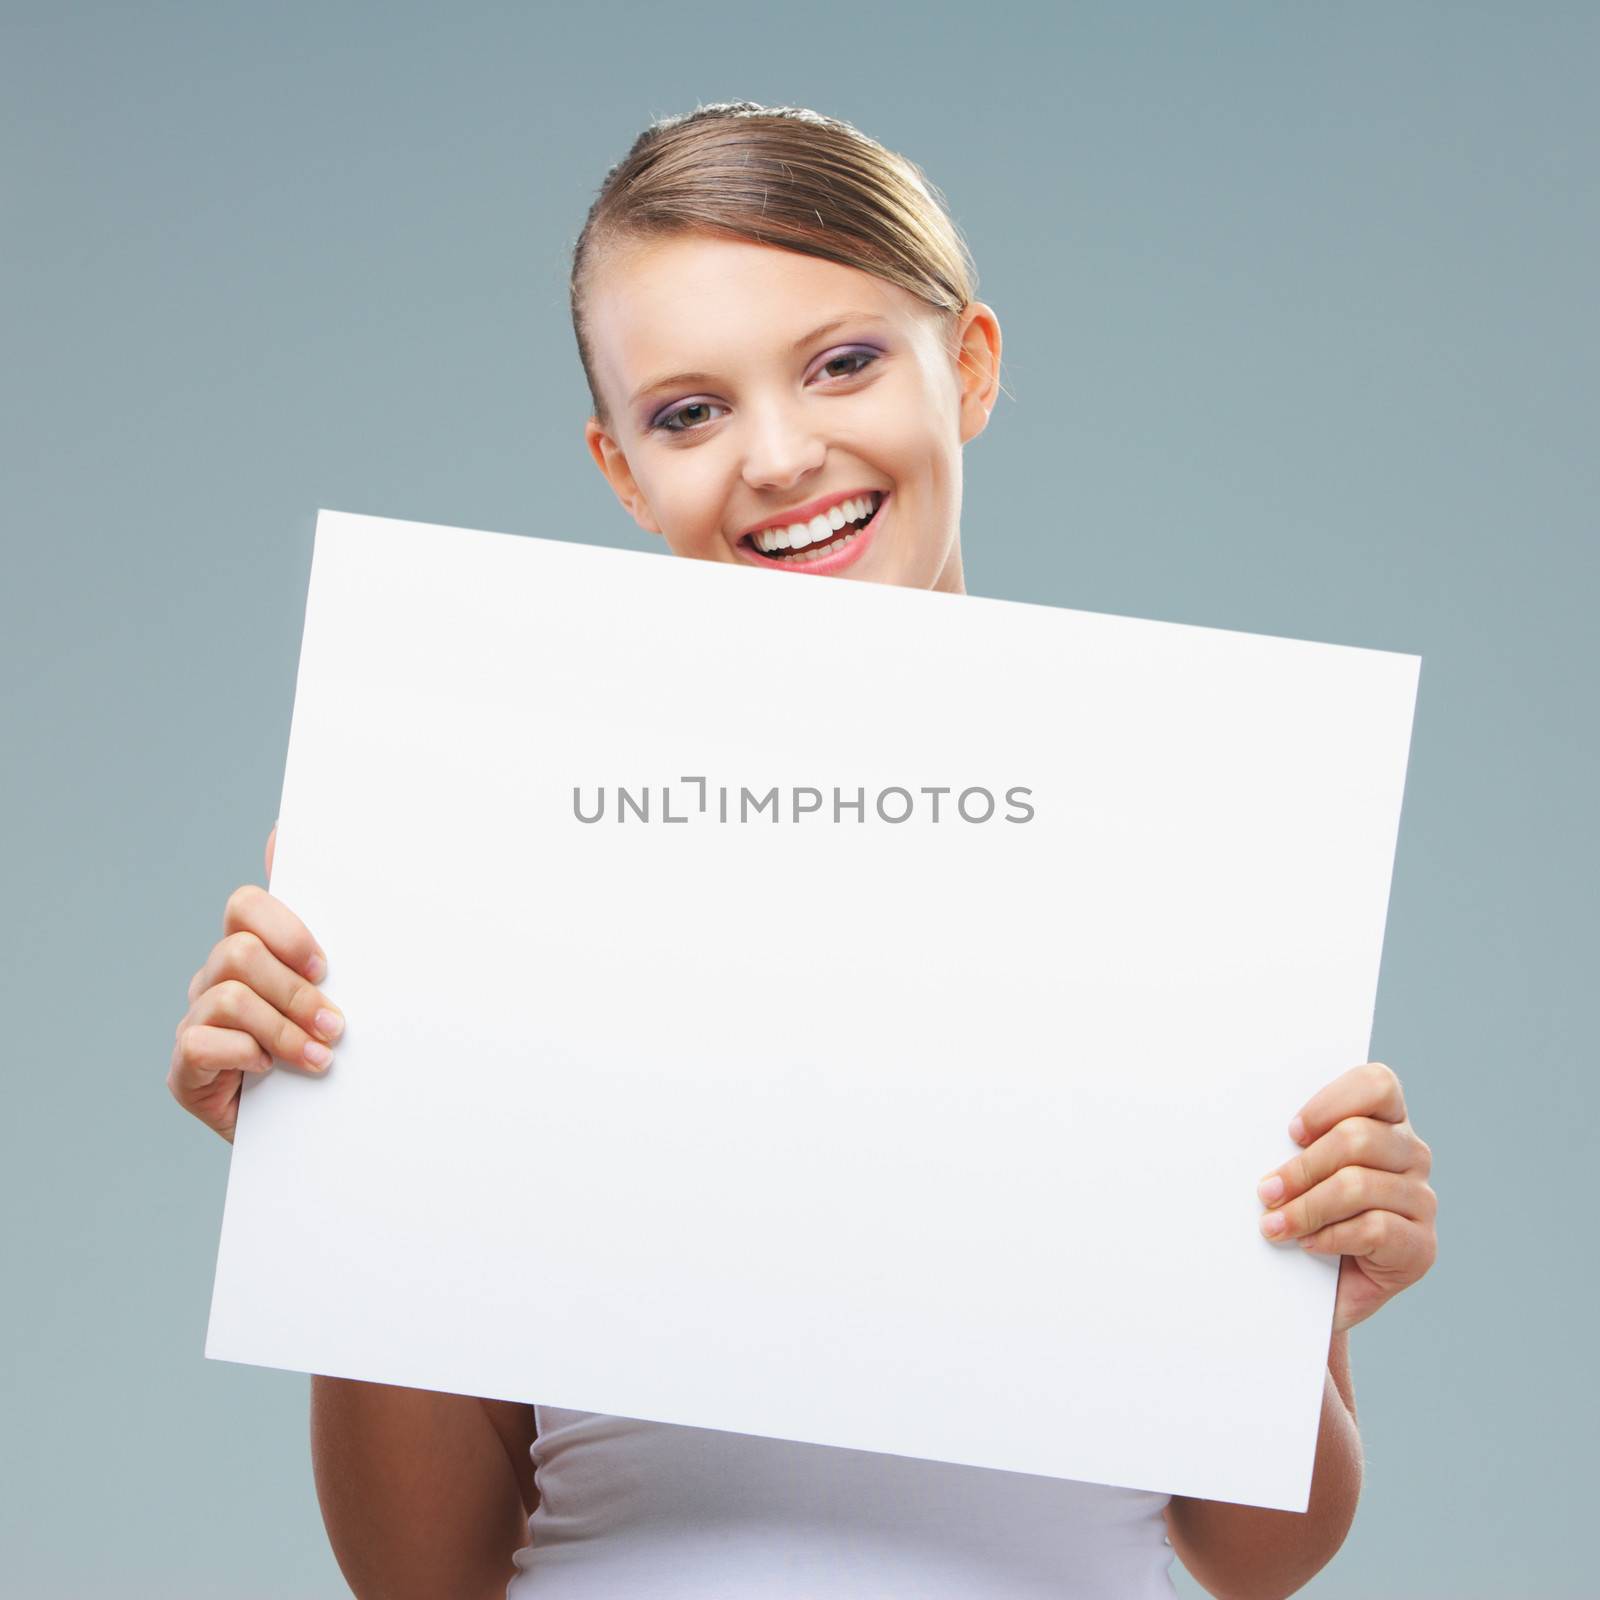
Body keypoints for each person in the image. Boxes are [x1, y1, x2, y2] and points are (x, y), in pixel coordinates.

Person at [169, 101, 1438, 1599]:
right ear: (621, 469)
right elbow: (421, 1579)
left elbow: (1256, 1556)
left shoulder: (1187, 842)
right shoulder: (483, 864)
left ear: (966, 365)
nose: (778, 454)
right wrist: (337, 1172)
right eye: (689, 411)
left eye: (843, 362)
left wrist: (1308, 1306)